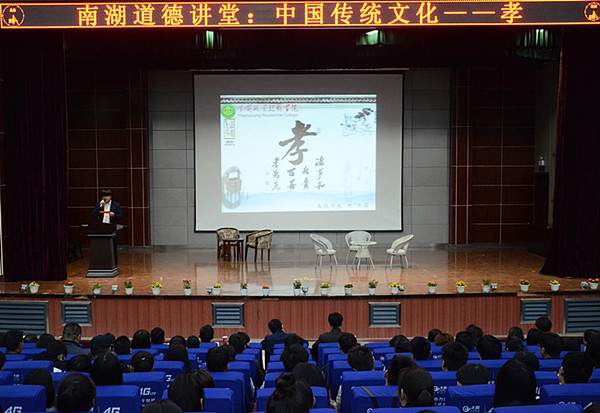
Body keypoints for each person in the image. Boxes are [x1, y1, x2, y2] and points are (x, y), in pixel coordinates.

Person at [92, 189, 123, 263]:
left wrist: (114, 215)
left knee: (113, 246)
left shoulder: (116, 205)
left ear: (110, 197)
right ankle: (102, 262)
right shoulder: (100, 204)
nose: (104, 198)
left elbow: (120, 216)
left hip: (111, 227)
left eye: (106, 196)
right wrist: (100, 206)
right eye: (103, 196)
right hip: (102, 227)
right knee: (101, 246)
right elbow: (94, 214)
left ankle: (114, 262)